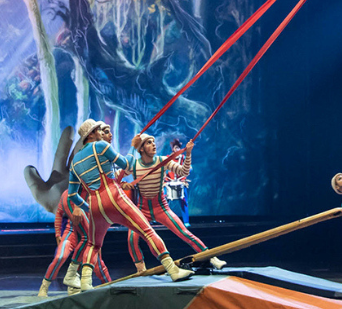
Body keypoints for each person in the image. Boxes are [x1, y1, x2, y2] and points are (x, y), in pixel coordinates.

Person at [68, 119, 193, 288]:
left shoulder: (75, 161)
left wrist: (88, 208)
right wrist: (133, 147)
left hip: (95, 204)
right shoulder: (100, 146)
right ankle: (173, 270)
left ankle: (85, 281)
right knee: (147, 231)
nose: (101, 133)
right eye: (98, 130)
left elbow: (72, 195)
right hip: (113, 196)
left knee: (93, 244)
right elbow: (127, 163)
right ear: (91, 134)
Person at [121, 134, 226, 272]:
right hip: (141, 210)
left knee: (184, 233)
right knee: (131, 239)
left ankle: (211, 257)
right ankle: (141, 269)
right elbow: (116, 177)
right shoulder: (134, 165)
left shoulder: (162, 161)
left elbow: (184, 171)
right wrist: (123, 184)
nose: (154, 144)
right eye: (148, 142)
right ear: (141, 149)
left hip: (161, 208)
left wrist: (188, 153)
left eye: (153, 142)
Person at [37, 190, 111, 297]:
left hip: (89, 235)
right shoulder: (68, 194)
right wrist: (58, 234)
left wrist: (98, 241)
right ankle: (44, 286)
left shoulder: (93, 194)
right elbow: (59, 212)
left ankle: (109, 286)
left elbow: (98, 219)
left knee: (98, 264)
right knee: (60, 257)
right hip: (72, 233)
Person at [164, 139, 191, 226]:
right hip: (169, 183)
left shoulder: (183, 158)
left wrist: (184, 176)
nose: (177, 149)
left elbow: (188, 168)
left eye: (178, 147)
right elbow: (163, 169)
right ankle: (166, 222)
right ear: (173, 149)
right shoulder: (168, 158)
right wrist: (165, 178)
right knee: (164, 202)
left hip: (181, 182)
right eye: (175, 147)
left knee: (184, 202)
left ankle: (186, 222)